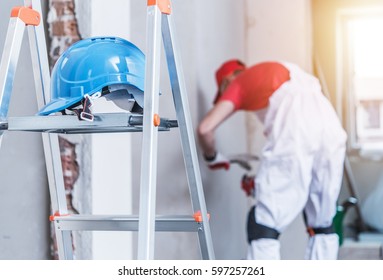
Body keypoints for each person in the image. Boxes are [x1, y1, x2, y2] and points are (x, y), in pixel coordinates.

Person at [197, 59, 347, 260]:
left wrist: (212, 157)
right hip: (331, 129)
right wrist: (261, 184)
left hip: (298, 132)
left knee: (263, 225)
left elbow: (205, 129)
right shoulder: (287, 74)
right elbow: (294, 166)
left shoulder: (240, 83)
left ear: (227, 81)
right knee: (322, 224)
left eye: (224, 92)